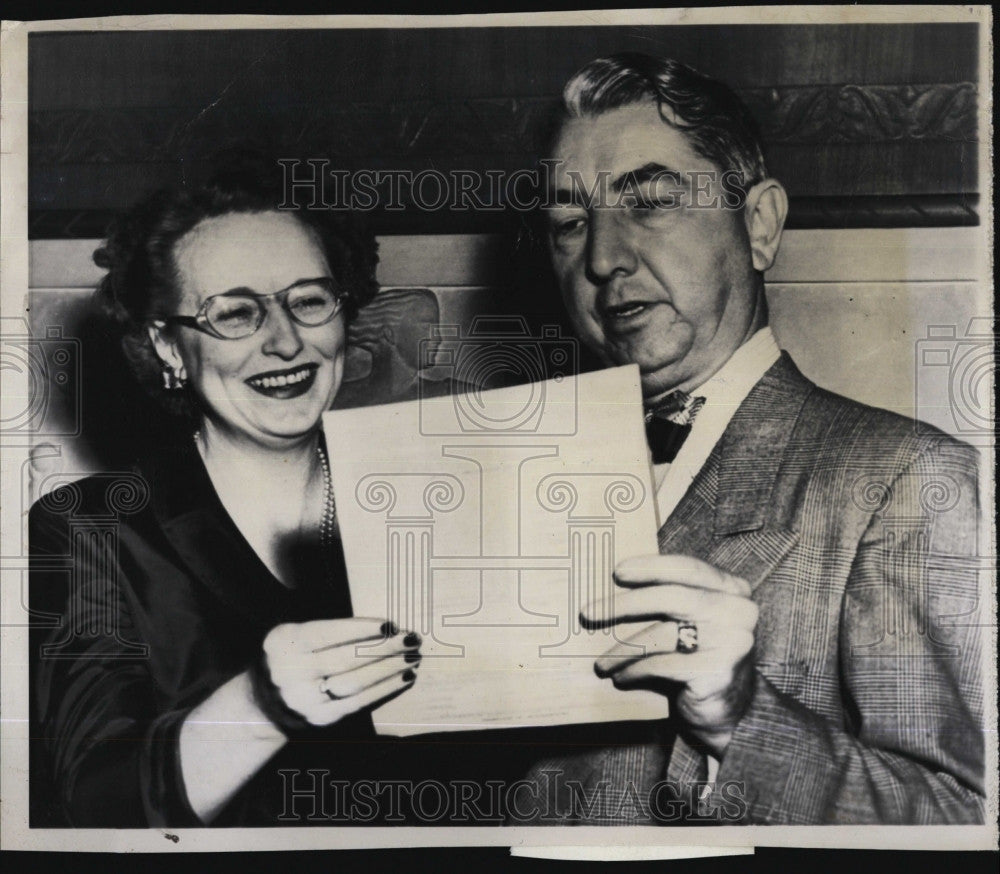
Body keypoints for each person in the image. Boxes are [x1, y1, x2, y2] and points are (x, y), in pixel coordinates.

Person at [518, 53, 986, 825]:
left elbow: (962, 821)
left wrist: (740, 722)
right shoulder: (530, 480)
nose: (602, 258)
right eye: (570, 223)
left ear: (760, 224)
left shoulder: (908, 479)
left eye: (652, 202)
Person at [28, 166, 427, 827]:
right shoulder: (88, 529)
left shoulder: (428, 496)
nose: (284, 342)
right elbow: (91, 804)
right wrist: (260, 706)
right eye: (235, 313)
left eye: (308, 300)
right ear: (168, 345)